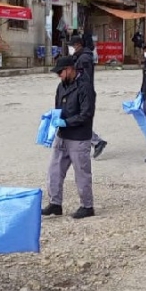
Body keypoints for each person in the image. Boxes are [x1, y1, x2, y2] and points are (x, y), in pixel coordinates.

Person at [43, 55, 96, 219]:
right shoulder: (61, 86)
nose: (59, 75)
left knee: (81, 173)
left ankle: (87, 206)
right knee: (54, 171)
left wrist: (66, 122)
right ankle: (55, 203)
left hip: (79, 137)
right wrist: (52, 119)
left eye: (61, 72)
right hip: (62, 136)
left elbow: (86, 114)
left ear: (70, 69)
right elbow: (58, 107)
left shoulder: (85, 87)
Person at [70, 35, 108, 158]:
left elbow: (84, 77)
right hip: (79, 92)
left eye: (72, 46)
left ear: (78, 45)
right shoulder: (79, 57)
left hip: (84, 93)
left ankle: (96, 142)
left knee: (79, 120)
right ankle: (94, 142)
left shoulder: (84, 58)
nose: (71, 48)